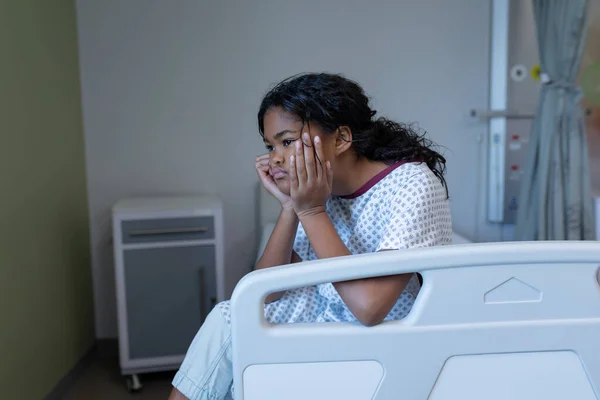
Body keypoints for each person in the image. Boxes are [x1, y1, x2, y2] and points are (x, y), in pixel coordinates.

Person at [168, 72, 452, 400]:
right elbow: (269, 292)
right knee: (230, 318)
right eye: (270, 146)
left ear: (342, 139)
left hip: (384, 333)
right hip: (324, 314)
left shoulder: (412, 185)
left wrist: (312, 212)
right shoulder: (317, 190)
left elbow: (370, 308)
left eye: (287, 141)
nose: (275, 157)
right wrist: (290, 206)